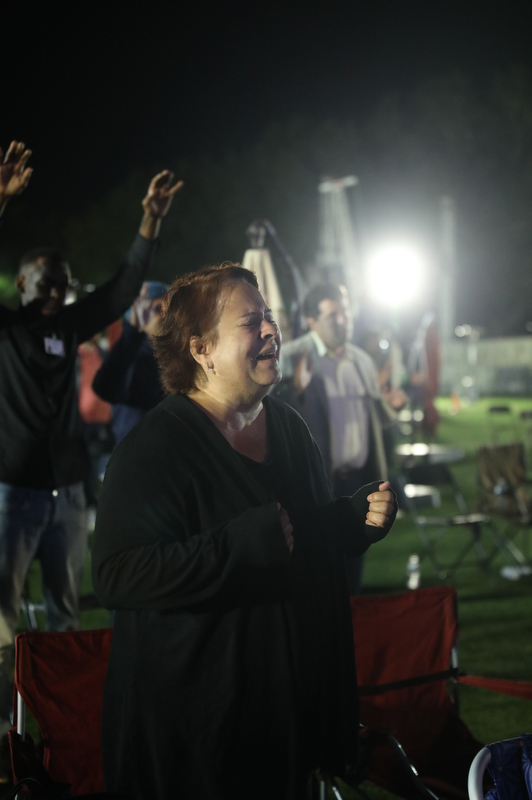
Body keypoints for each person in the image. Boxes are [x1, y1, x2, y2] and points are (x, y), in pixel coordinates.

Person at [91, 263, 396, 800]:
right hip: (197, 741)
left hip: (286, 731)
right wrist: (238, 546)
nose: (271, 331)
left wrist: (349, 522)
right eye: (250, 322)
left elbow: (298, 535)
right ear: (201, 349)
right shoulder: (155, 448)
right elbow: (117, 574)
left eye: (269, 317)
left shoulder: (289, 428)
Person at [0, 141, 182, 737]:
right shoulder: (9, 328)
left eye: (63, 284)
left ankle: (61, 729)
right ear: (21, 284)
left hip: (69, 495)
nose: (57, 292)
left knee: (66, 616)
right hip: (12, 493)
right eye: (45, 283)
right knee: (1, 619)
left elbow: (122, 289)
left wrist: (149, 220)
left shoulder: (69, 325)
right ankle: (5, 729)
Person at [277, 283, 396, 594]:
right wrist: (293, 389)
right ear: (311, 321)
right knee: (318, 568)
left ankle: (353, 614)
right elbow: (267, 414)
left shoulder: (362, 361)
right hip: (317, 483)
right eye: (333, 316)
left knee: (354, 567)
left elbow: (377, 417)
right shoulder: (290, 357)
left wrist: (393, 407)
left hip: (359, 480)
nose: (343, 321)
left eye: (345, 313)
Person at [92, 280, 167, 445]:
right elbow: (106, 388)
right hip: (137, 451)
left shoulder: (177, 358)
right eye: (157, 308)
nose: (166, 316)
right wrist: (132, 333)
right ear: (137, 313)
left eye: (172, 310)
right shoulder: (132, 355)